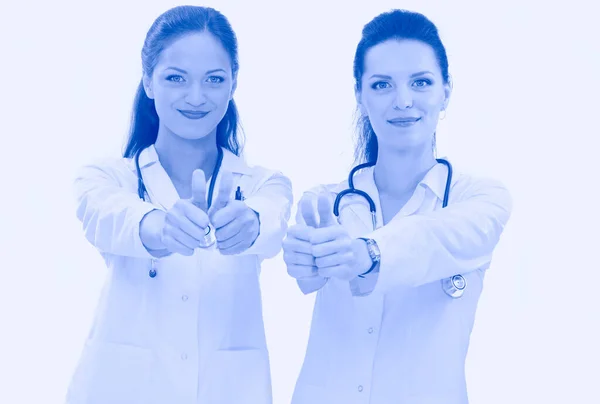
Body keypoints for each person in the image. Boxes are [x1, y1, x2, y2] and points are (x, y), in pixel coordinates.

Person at [283, 9, 513, 404]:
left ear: (446, 91)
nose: (403, 101)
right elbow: (307, 273)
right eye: (382, 85)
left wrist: (367, 253)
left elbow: (432, 238)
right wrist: (301, 256)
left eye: (421, 83)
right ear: (360, 94)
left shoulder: (480, 200)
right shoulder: (327, 202)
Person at [66, 6, 292, 404]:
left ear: (233, 84)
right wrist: (158, 226)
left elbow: (272, 218)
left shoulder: (260, 185)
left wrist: (250, 223)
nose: (195, 97)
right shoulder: (107, 178)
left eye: (214, 80)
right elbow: (106, 215)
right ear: (149, 83)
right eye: (175, 78)